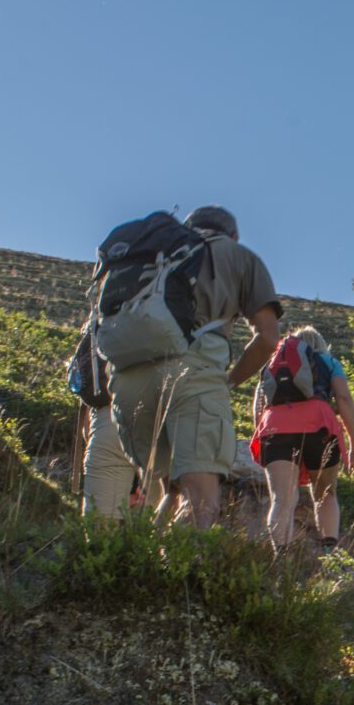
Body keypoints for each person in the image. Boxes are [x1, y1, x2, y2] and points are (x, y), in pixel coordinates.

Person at [107, 205, 280, 529]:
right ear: (232, 235)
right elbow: (269, 338)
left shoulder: (157, 251)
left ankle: (137, 567)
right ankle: (178, 578)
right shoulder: (238, 256)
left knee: (166, 492)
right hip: (194, 373)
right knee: (201, 505)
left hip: (128, 379)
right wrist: (228, 381)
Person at [250, 325, 354, 550]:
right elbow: (344, 398)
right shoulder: (329, 362)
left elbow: (258, 406)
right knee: (326, 494)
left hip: (276, 426)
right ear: (320, 344)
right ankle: (329, 551)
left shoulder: (274, 363)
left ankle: (280, 559)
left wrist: (265, 436)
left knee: (282, 499)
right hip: (319, 425)